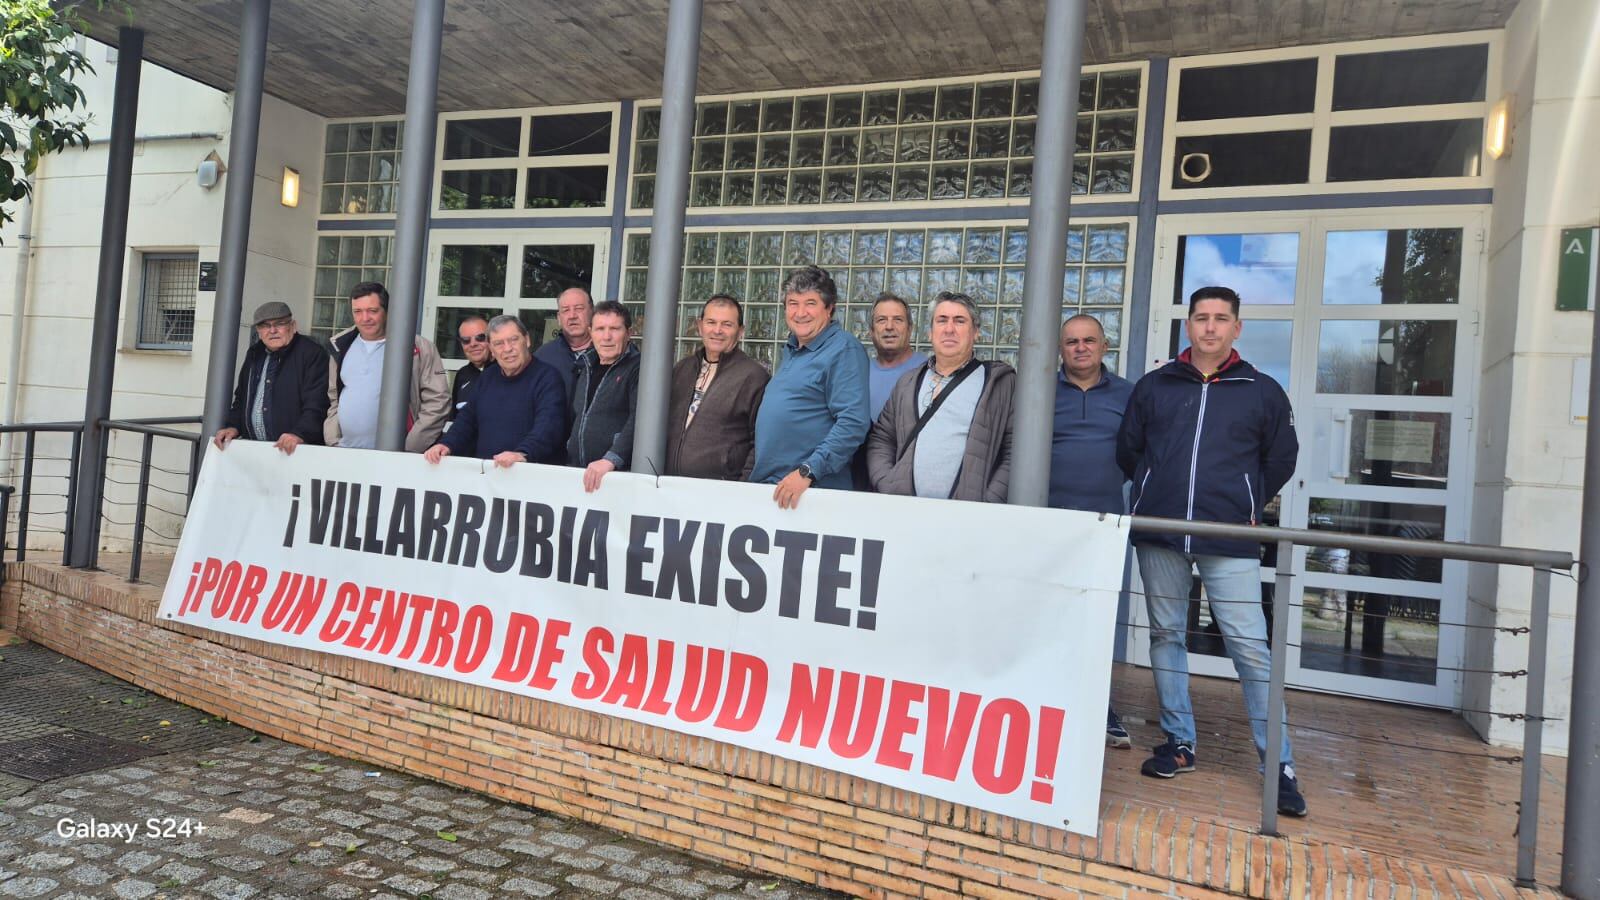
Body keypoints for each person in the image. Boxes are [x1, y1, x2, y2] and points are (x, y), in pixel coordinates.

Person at [1116, 285, 1306, 817]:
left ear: (1236, 328)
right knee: (1166, 635)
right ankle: (1179, 742)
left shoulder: (1261, 391)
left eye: (1221, 318)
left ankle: (1279, 765)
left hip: (1231, 537)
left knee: (1249, 647)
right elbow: (1129, 450)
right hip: (1160, 532)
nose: (1210, 327)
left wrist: (1244, 502)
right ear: (1189, 325)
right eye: (1201, 317)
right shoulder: (1155, 386)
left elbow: (1281, 459)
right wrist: (1156, 492)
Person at [1048, 314, 1136, 749]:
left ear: (1104, 346)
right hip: (1047, 523)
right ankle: (1047, 700)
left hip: (1104, 524)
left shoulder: (1129, 394)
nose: (1080, 348)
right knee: (1048, 616)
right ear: (1060, 348)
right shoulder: (1039, 391)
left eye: (1088, 341)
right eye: (1071, 342)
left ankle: (1099, 707)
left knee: (1096, 621)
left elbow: (1141, 453)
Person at [864, 291, 1012, 502]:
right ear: (930, 332)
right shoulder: (908, 382)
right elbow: (881, 439)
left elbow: (1014, 450)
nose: (949, 329)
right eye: (942, 320)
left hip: (969, 514)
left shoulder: (997, 383)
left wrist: (989, 499)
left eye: (959, 321)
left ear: (975, 332)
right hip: (907, 511)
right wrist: (889, 484)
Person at [750, 266, 870, 509]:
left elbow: (853, 422)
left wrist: (808, 471)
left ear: (829, 308)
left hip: (810, 495)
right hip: (777, 492)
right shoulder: (793, 349)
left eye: (810, 303)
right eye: (793, 303)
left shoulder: (843, 349)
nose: (800, 312)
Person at [423, 316, 567, 467]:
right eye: (499, 343)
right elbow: (467, 420)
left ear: (527, 340)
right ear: (491, 349)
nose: (507, 349)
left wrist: (523, 453)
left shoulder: (547, 377)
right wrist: (446, 444)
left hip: (528, 473)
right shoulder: (487, 377)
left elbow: (549, 426)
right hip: (489, 474)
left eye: (513, 340)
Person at [324, 282, 449, 452]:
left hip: (395, 457)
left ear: (387, 311)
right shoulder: (341, 346)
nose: (365, 318)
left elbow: (438, 401)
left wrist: (410, 448)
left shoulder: (417, 348)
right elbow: (334, 397)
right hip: (345, 451)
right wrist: (333, 439)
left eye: (372, 311)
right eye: (358, 311)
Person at [666, 294, 770, 480]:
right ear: (700, 326)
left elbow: (761, 441)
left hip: (721, 489)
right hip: (670, 485)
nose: (717, 330)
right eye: (711, 322)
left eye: (727, 324)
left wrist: (743, 486)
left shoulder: (754, 376)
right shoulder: (682, 369)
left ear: (740, 331)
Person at [213, 301, 329, 455]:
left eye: (280, 324)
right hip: (255, 451)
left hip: (295, 453)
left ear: (293, 326)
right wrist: (232, 426)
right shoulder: (254, 354)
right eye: (265, 325)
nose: (272, 330)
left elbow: (318, 404)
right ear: (258, 331)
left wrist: (300, 433)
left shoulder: (311, 354)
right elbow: (241, 398)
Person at [567, 300, 640, 492]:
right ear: (590, 332)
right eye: (600, 329)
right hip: (579, 474)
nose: (606, 336)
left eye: (615, 329)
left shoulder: (638, 368)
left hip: (616, 478)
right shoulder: (585, 366)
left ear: (629, 333)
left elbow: (639, 419)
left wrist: (611, 459)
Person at [867, 292, 925, 420]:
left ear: (910, 329)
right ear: (871, 331)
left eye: (898, 320)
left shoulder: (928, 371)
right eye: (882, 320)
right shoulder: (859, 373)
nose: (889, 327)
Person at [533, 286, 595, 399]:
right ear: (559, 318)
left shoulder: (606, 352)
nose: (572, 316)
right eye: (566, 310)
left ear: (592, 312)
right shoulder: (543, 357)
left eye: (579, 309)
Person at [449, 315, 493, 422]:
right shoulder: (462, 374)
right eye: (466, 340)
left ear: (492, 338)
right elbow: (455, 418)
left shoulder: (506, 371)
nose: (473, 344)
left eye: (480, 338)